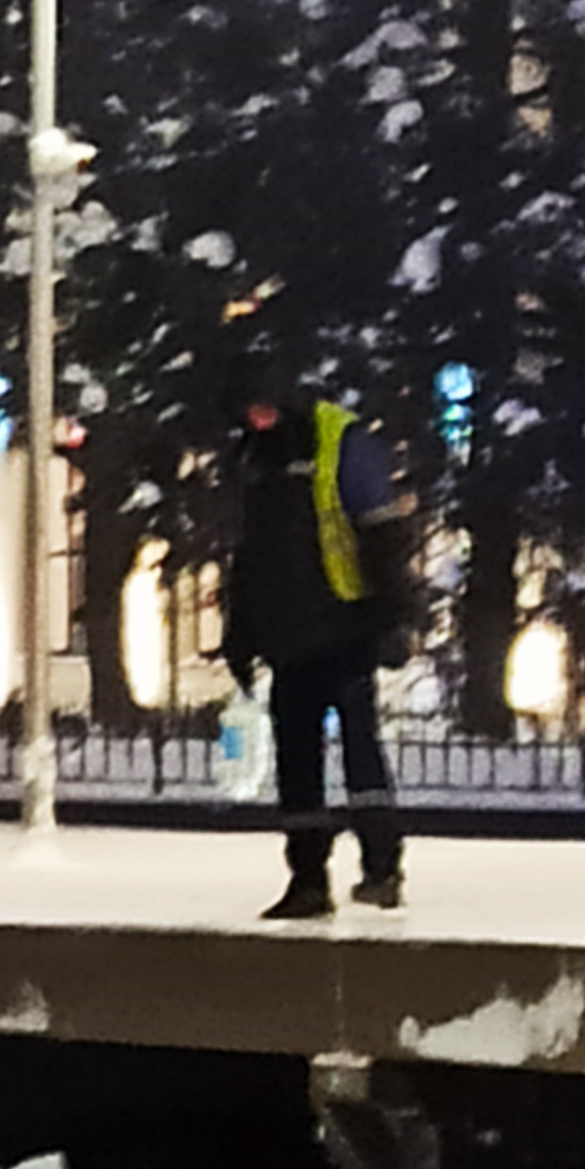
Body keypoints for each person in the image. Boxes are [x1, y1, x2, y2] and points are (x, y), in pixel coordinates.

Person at [220, 381, 414, 922]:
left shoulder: (340, 439)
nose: (257, 417)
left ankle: (381, 868)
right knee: (298, 761)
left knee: (359, 749)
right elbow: (249, 555)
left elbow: (381, 536)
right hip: (290, 634)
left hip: (346, 624)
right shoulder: (257, 453)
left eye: (264, 406)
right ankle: (308, 879)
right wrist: (240, 634)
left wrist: (390, 616)